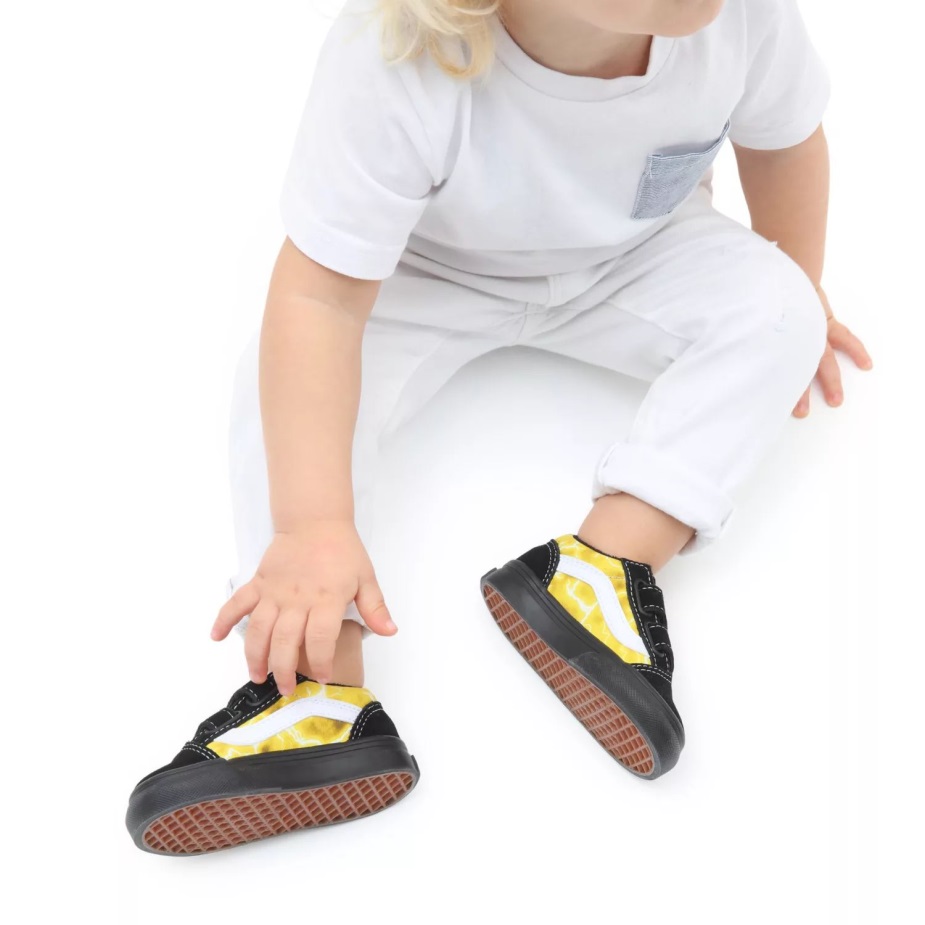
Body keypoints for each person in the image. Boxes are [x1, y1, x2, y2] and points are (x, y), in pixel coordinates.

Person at [125, 0, 873, 855]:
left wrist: (797, 294)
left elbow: (784, 140)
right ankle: (315, 689)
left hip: (635, 254)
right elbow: (319, 299)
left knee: (782, 308)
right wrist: (312, 525)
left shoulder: (743, 17)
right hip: (421, 270)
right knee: (281, 381)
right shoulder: (395, 55)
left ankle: (601, 569)